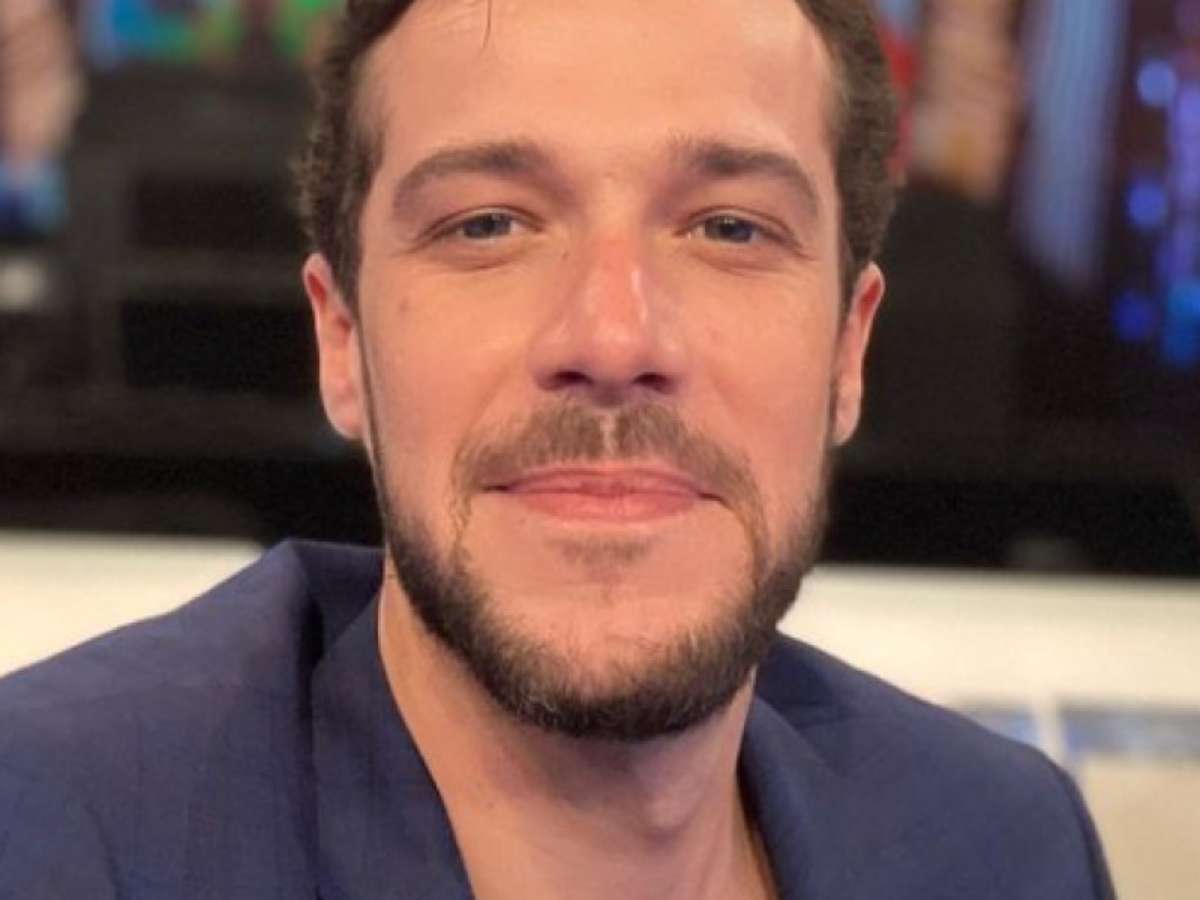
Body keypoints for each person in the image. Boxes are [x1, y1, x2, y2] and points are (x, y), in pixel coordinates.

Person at [0, 0, 1115, 897]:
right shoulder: (52, 834)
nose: (615, 340)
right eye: (487, 224)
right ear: (341, 342)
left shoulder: (1009, 848)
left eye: (730, 227)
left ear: (847, 352)